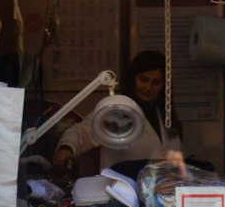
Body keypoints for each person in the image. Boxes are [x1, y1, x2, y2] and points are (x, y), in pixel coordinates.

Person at [54, 51, 182, 174]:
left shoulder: (165, 114)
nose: (148, 87)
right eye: (143, 79)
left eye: (156, 82)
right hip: (120, 188)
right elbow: (81, 132)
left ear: (164, 84)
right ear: (133, 79)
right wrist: (67, 149)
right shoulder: (116, 110)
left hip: (156, 187)